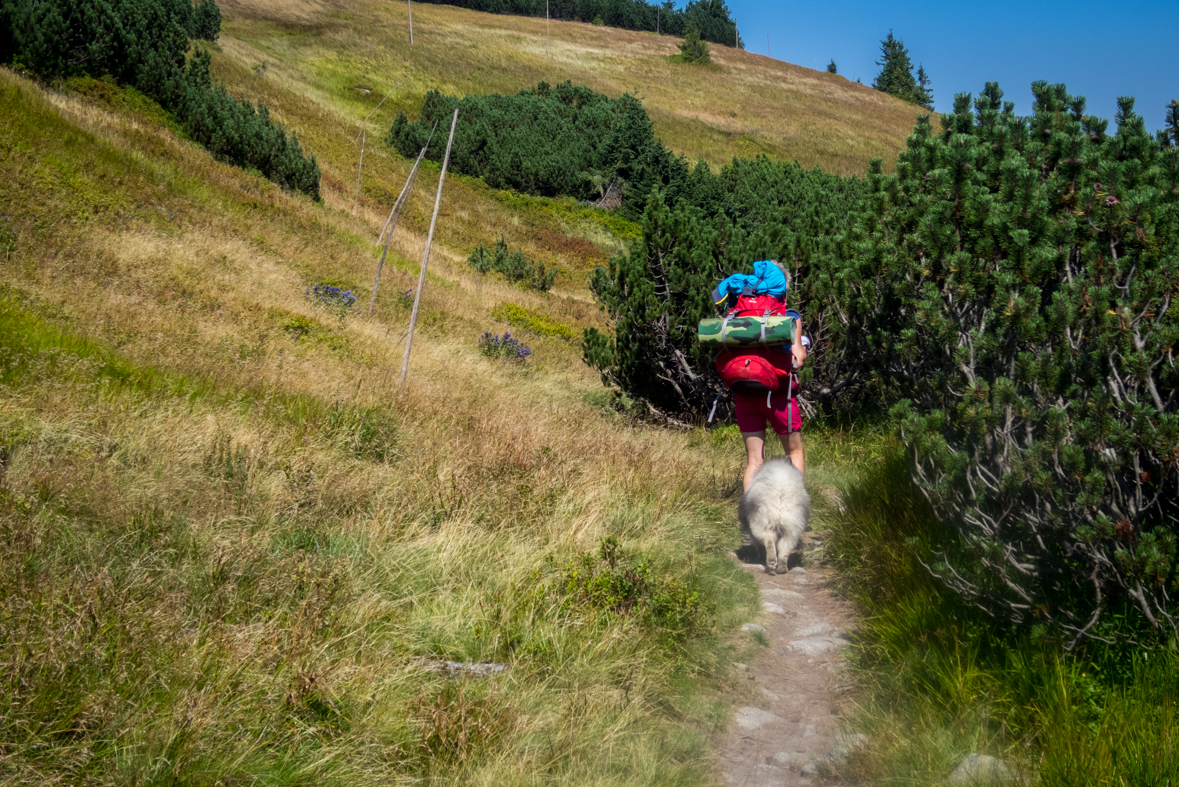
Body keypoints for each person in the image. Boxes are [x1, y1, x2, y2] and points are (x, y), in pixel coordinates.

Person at [732, 263, 807, 490]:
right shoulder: (788, 316)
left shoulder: (739, 313)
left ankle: (751, 520)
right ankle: (795, 513)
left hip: (743, 391)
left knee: (754, 460)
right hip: (777, 395)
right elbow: (798, 359)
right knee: (794, 451)